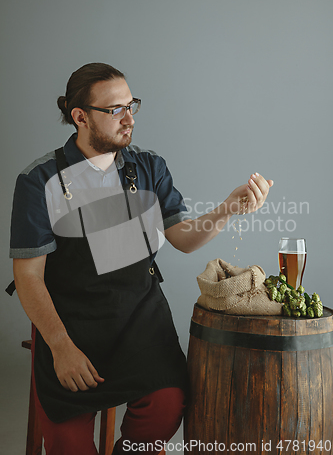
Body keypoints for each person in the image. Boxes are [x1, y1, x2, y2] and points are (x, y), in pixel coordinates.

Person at [9, 63, 273, 455]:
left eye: (131, 104)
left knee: (166, 406)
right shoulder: (39, 181)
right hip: (69, 325)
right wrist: (61, 347)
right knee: (67, 445)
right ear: (79, 117)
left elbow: (182, 239)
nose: (129, 118)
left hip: (138, 318)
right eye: (115, 109)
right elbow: (29, 276)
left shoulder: (148, 167)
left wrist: (227, 209)